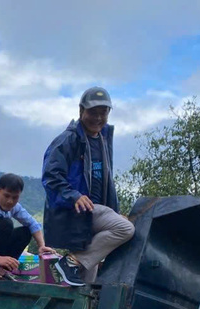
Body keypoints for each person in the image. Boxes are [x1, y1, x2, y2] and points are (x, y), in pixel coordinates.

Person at [42, 86, 135, 286]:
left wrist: (114, 212)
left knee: (85, 281)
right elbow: (50, 176)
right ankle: (70, 261)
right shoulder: (68, 140)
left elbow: (104, 182)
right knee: (125, 229)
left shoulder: (103, 139)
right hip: (74, 212)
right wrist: (74, 196)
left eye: (103, 112)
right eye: (93, 112)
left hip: (94, 213)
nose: (98, 118)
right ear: (81, 111)